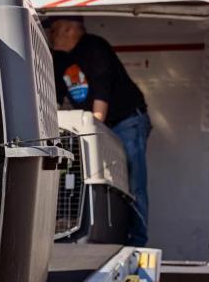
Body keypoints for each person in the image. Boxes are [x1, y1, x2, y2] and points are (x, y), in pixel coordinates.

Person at [46, 16, 152, 247]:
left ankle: (138, 243)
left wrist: (96, 126)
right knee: (92, 179)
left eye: (54, 30)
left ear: (69, 29)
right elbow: (54, 96)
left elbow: (103, 87)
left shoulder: (94, 46)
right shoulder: (60, 58)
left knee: (133, 182)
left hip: (126, 122)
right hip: (97, 126)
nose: (51, 36)